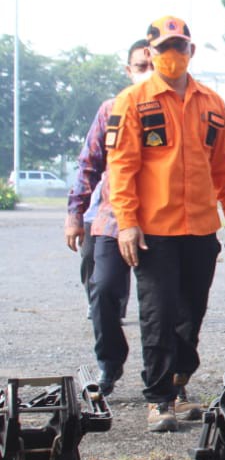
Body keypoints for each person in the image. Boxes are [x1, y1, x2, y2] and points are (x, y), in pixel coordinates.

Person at [107, 17, 225, 432]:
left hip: (201, 229)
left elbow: (224, 167)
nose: (172, 55)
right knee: (158, 314)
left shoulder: (212, 104)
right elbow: (122, 168)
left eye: (179, 47)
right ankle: (158, 399)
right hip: (154, 232)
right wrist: (127, 223)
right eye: (164, 48)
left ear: (191, 52)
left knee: (191, 315)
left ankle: (178, 388)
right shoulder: (132, 101)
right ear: (150, 53)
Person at [66, 38, 152, 394]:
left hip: (160, 221)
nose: (148, 74)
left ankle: (164, 378)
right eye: (140, 67)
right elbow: (89, 164)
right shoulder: (111, 109)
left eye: (154, 66)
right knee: (102, 290)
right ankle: (109, 363)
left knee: (161, 307)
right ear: (128, 71)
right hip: (112, 219)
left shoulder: (178, 111)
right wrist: (75, 214)